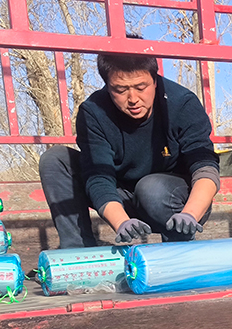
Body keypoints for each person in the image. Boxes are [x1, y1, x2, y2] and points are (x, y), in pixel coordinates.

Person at [39, 41, 220, 247]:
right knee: (55, 159)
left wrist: (190, 214)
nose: (133, 98)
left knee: (151, 188)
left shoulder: (181, 102)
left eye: (141, 87)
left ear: (155, 80)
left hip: (176, 200)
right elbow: (98, 177)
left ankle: (177, 248)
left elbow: (205, 166)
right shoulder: (93, 112)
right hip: (123, 198)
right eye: (120, 90)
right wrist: (121, 222)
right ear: (108, 86)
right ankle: (79, 249)